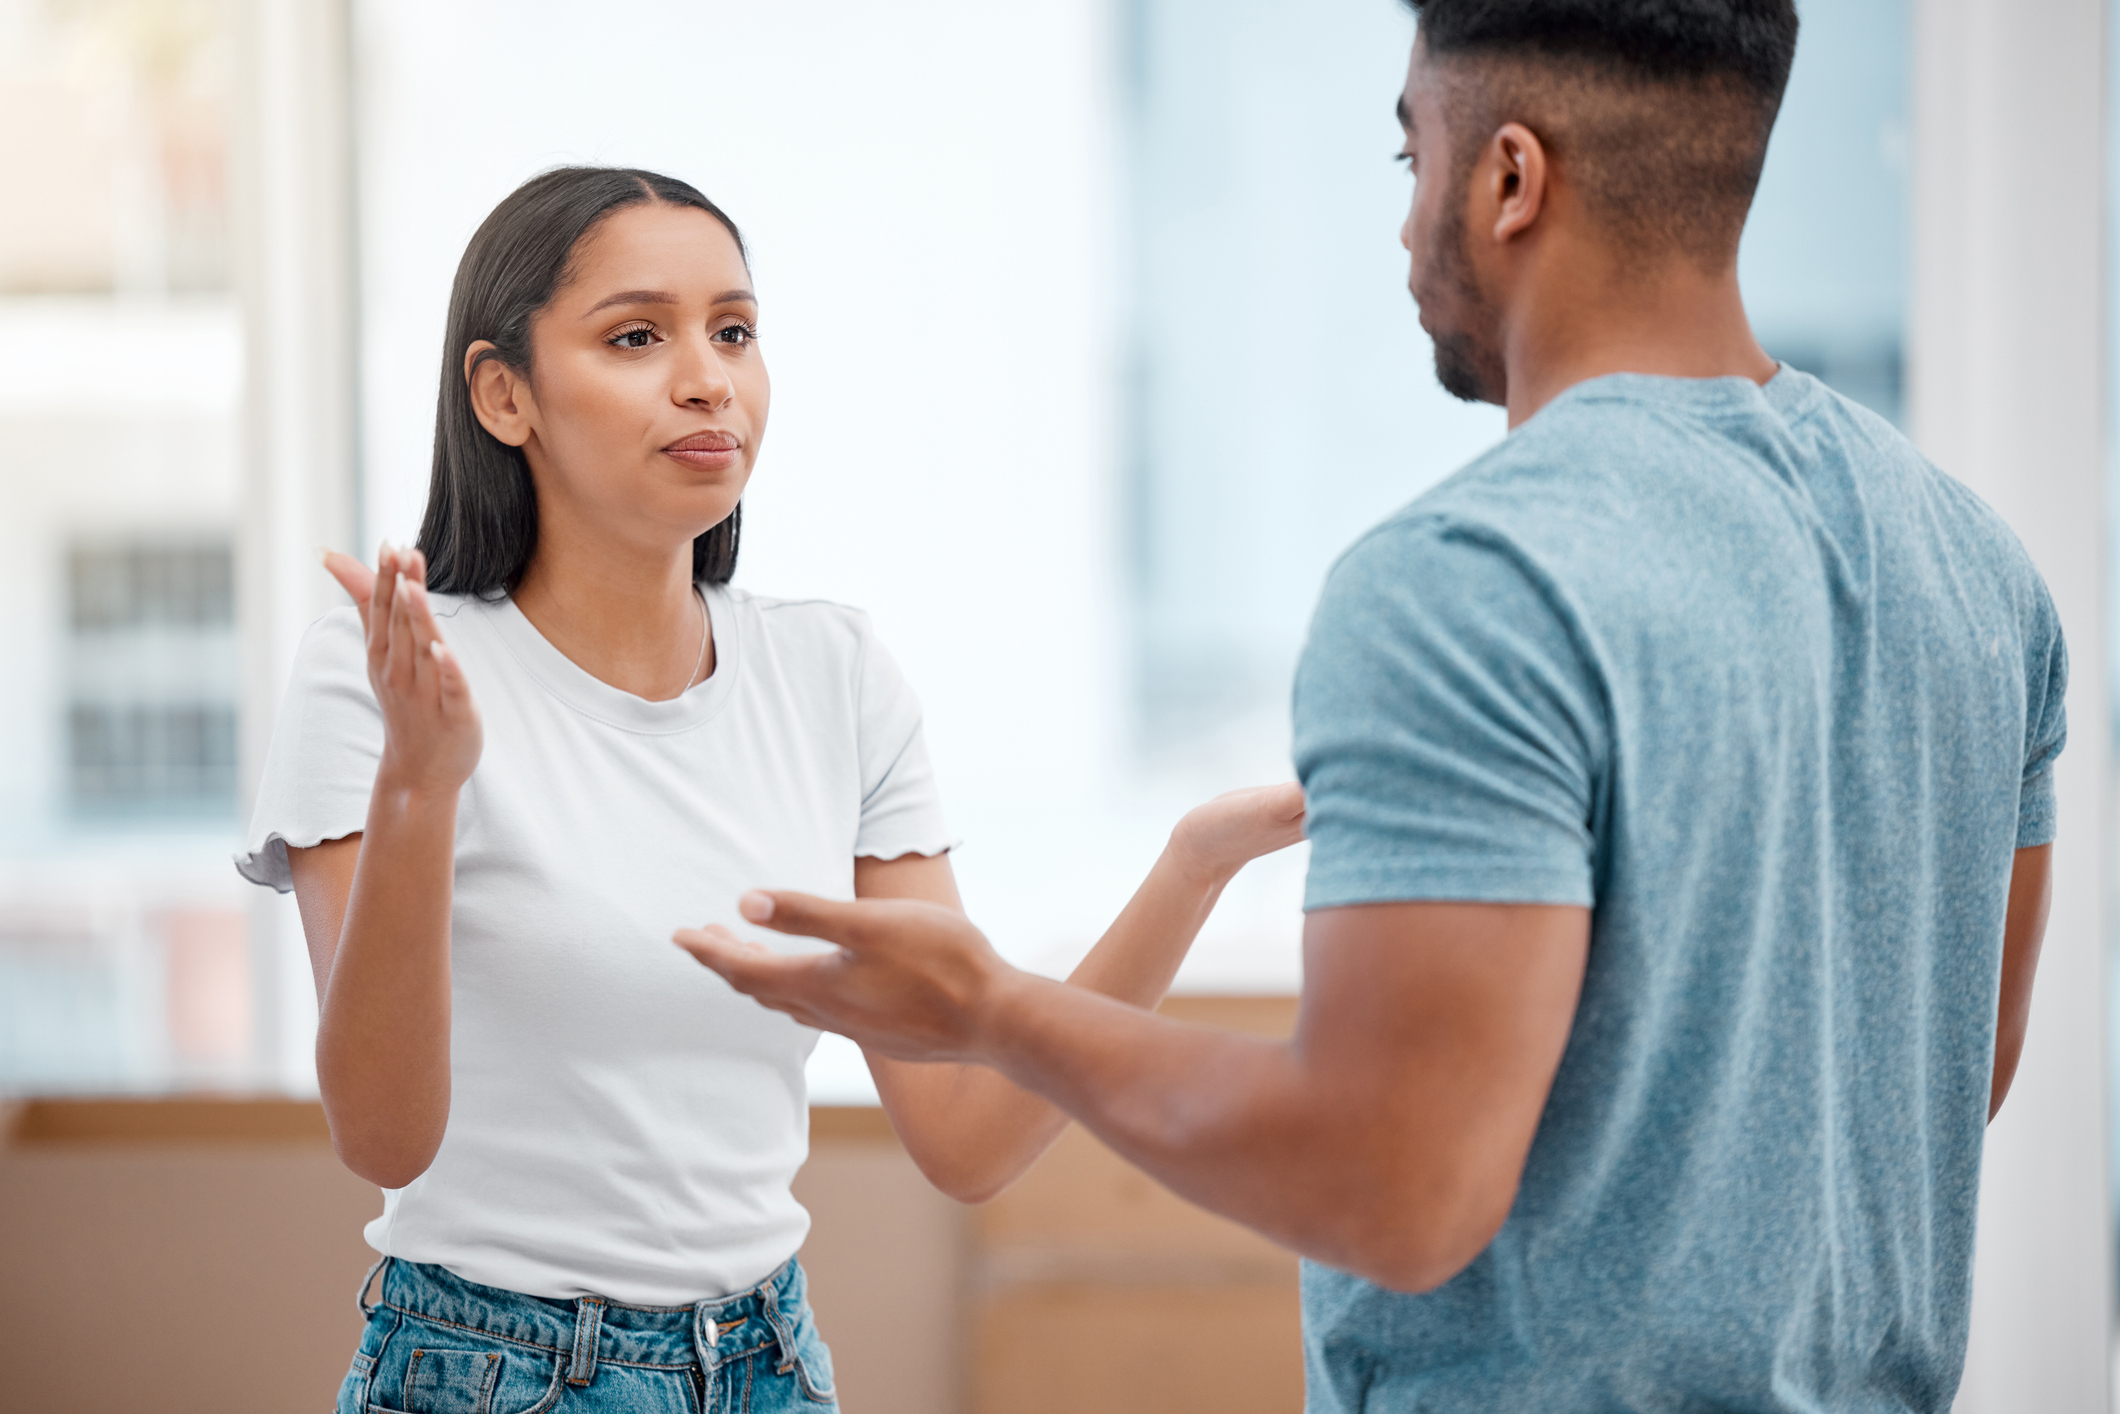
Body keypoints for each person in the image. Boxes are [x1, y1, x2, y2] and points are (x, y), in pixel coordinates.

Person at [675, 2, 2066, 1408]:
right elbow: (1954, 1070)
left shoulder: (1468, 579)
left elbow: (1391, 1188)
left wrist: (993, 1009)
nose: (1404, 228)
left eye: (1413, 162)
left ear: (1509, 178)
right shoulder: (1976, 566)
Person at [235, 164, 1305, 1414]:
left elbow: (967, 1130)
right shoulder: (384, 671)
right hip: (492, 1372)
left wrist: (1192, 866)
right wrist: (421, 790)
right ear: (502, 392)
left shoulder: (831, 673)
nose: (708, 379)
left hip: (769, 1364)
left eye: (733, 330)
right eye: (636, 336)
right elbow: (382, 1136)